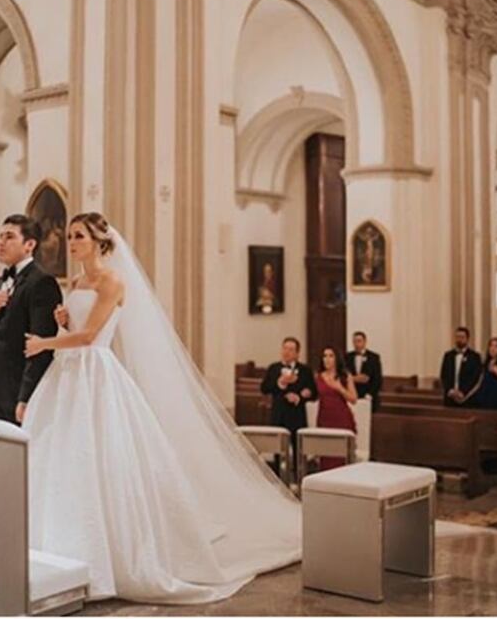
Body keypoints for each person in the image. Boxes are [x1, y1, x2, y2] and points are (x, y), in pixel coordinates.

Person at [21, 212, 300, 603]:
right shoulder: (78, 281)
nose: (71, 242)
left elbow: (90, 338)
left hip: (95, 374)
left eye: (79, 236)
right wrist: (63, 322)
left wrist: (45, 343)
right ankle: (59, 548)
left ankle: (111, 557)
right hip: (67, 378)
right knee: (63, 458)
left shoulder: (111, 281)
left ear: (100, 242)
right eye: (69, 236)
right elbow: (77, 329)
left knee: (101, 458)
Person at [0, 214, 62, 423]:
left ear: (29, 244)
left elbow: (41, 347)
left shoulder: (42, 283)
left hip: (21, 394)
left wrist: (26, 398)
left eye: (9, 237)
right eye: (0, 236)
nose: (1, 242)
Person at [261, 337, 317, 452]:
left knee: (299, 450)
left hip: (297, 416)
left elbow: (314, 393)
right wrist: (280, 382)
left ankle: (298, 470)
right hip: (278, 415)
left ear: (297, 353)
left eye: (291, 349)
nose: (286, 352)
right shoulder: (273, 368)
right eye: (285, 348)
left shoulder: (305, 370)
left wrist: (300, 397)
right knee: (277, 451)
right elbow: (264, 388)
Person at [315, 346, 358, 470]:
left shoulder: (345, 376)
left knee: (341, 457)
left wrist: (339, 388)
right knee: (325, 455)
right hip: (324, 418)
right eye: (324, 356)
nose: (327, 359)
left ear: (336, 359)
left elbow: (353, 399)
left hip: (341, 419)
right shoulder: (318, 376)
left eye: (330, 356)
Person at [439, 326, 482, 407]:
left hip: (467, 398)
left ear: (467, 339)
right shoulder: (448, 355)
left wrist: (463, 392)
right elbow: (443, 375)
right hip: (450, 398)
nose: (459, 340)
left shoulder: (475, 357)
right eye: (457, 337)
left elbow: (475, 378)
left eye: (462, 337)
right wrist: (449, 390)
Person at [344, 330, 382, 412]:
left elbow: (377, 379)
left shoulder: (374, 357)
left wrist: (370, 395)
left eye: (359, 341)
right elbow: (343, 375)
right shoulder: (347, 357)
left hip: (368, 396)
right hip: (352, 395)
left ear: (365, 342)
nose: (357, 344)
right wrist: (354, 378)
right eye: (354, 341)